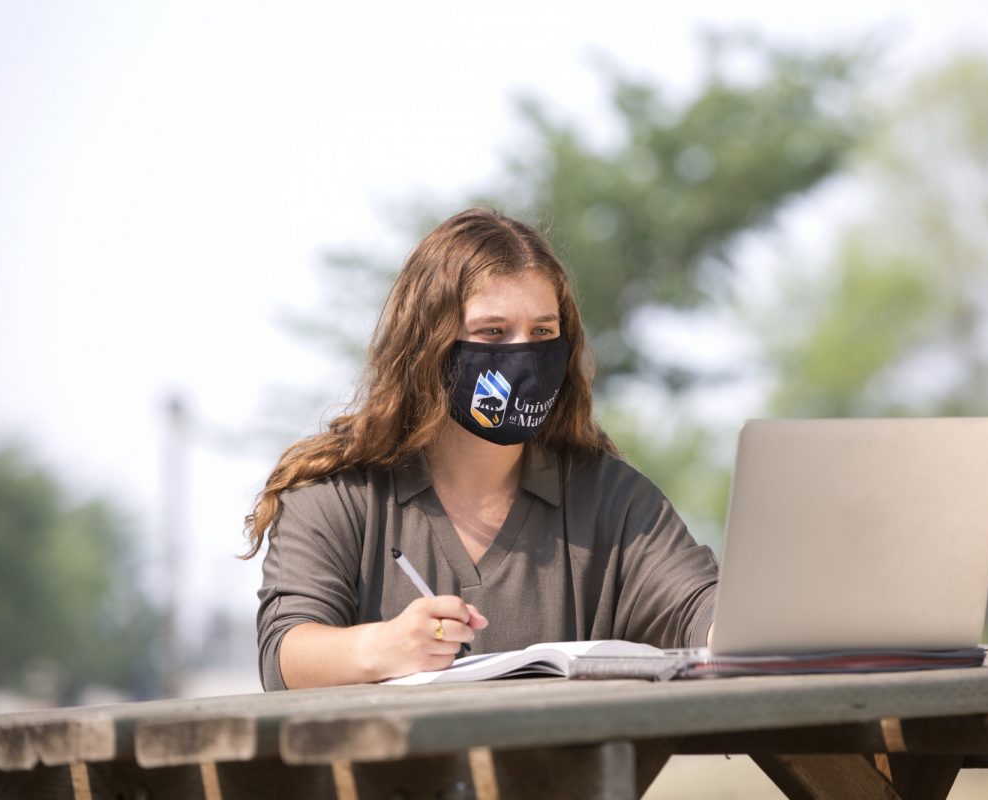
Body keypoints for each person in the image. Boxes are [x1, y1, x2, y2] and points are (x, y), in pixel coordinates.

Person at [246, 207, 719, 691]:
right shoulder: (337, 493)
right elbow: (284, 655)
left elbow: (698, 608)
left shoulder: (611, 497)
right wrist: (383, 647)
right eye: (492, 332)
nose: (524, 355)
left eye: (542, 332)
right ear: (427, 344)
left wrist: (733, 628)